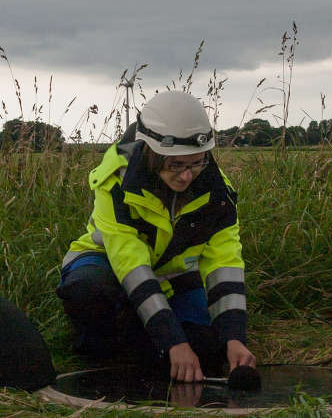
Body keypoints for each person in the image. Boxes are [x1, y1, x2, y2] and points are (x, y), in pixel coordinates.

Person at [56, 90, 255, 382]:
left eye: (197, 163)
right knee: (88, 294)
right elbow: (131, 265)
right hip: (106, 265)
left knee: (209, 349)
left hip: (173, 277)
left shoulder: (219, 193)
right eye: (176, 164)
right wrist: (173, 341)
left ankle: (145, 334)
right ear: (151, 152)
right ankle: (103, 341)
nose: (187, 176)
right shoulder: (115, 184)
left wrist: (234, 336)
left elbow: (224, 263)